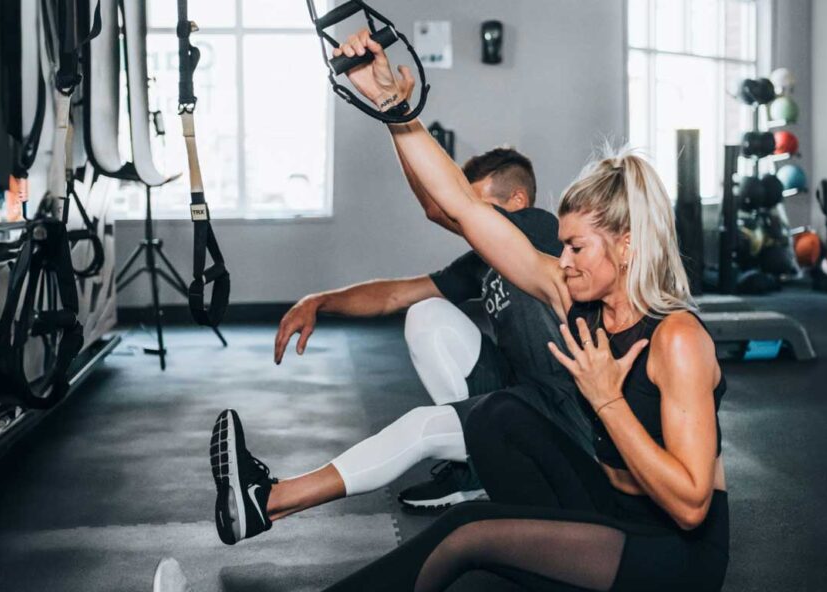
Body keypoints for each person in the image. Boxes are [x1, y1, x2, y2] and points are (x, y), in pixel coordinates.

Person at [154, 29, 728, 592]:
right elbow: (460, 206)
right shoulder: (577, 298)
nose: (562, 260)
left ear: (626, 246)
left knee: (465, 535)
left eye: (576, 248)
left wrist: (607, 401)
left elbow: (690, 506)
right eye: (562, 246)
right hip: (615, 512)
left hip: (675, 563)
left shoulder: (676, 339)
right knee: (499, 415)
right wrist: (395, 110)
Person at [212, 147, 596, 544]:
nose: (472, 219)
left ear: (517, 201)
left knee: (421, 428)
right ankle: (474, 470)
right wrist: (320, 301)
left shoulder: (540, 228)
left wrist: (397, 120)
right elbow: (395, 296)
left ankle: (268, 500)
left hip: (561, 415)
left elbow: (442, 209)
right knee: (426, 313)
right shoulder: (484, 262)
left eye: (479, 205)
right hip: (519, 396)